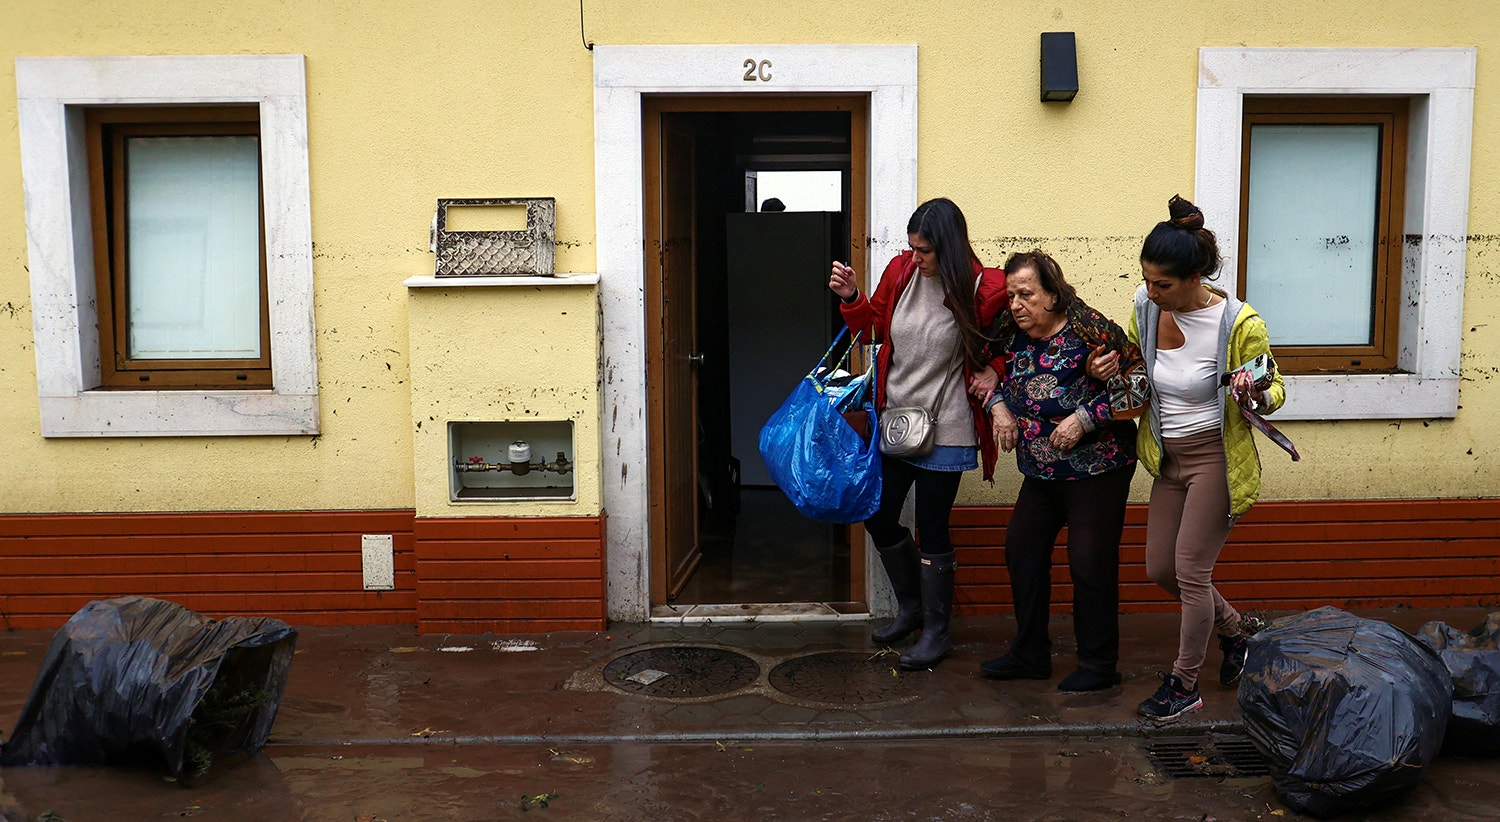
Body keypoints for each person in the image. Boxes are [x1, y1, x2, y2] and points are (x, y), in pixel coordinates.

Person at [1091, 195, 1284, 720]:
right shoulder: (1145, 308)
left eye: (1163, 285)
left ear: (1195, 275)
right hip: (1168, 461)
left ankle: (1183, 684)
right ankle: (1238, 631)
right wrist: (1110, 370)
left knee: (1191, 572)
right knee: (1159, 568)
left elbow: (1275, 389)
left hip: (1215, 460)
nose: (1152, 293)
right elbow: (1136, 375)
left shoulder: (1240, 323)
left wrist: (1253, 390)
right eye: (1147, 281)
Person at [829, 197, 1008, 670]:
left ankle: (936, 632)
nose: (916, 258)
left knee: (933, 529)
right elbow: (871, 331)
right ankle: (910, 610)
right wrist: (851, 298)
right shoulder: (901, 273)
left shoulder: (983, 289)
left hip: (947, 424)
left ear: (947, 248)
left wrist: (994, 370)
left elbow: (1011, 344)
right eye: (911, 248)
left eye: (924, 250)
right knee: (879, 514)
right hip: (897, 421)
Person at [968, 251, 1142, 692]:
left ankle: (1100, 665)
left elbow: (1140, 383)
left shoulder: (1089, 329)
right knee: (1021, 550)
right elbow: (981, 370)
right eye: (1011, 296)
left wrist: (1086, 416)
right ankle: (1030, 653)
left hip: (1097, 469)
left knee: (1089, 563)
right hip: (1041, 472)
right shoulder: (1009, 333)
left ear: (1052, 293)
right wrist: (998, 406)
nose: (1016, 305)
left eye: (1026, 294)